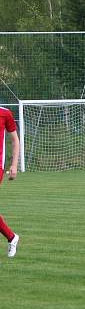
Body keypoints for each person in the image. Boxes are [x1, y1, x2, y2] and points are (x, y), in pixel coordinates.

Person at [0, 106, 20, 257]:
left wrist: (14, 165)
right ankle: (12, 237)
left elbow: (14, 140)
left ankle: (12, 237)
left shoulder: (5, 113)